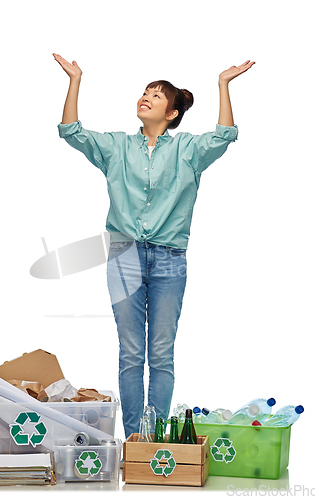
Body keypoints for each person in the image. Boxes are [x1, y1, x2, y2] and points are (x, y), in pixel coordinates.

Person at [53, 53, 255, 438]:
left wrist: (223, 84)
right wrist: (75, 80)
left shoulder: (188, 151)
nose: (146, 97)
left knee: (161, 354)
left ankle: (155, 438)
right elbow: (71, 131)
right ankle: (133, 440)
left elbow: (225, 135)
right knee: (131, 354)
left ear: (173, 113)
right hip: (124, 256)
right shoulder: (116, 147)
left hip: (169, 259)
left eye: (157, 95)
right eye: (145, 91)